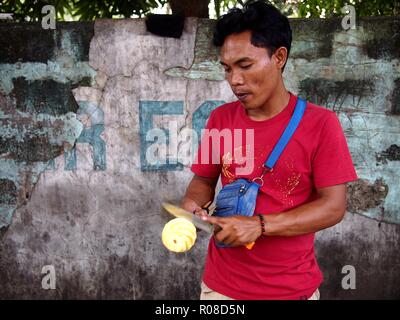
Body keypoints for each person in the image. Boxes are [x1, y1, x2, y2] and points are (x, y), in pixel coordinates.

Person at [181, 0, 358, 300]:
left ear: (278, 57)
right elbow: (203, 181)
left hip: (291, 290)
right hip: (221, 289)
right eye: (227, 69)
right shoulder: (220, 119)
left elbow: (333, 206)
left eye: (245, 65)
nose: (235, 80)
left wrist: (260, 225)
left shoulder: (321, 124)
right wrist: (191, 209)